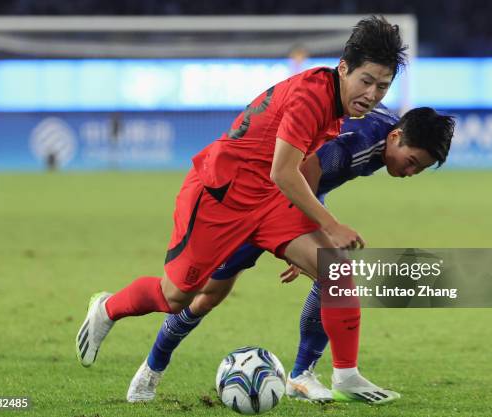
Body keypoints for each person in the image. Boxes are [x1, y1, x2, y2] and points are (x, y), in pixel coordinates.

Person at [76, 16, 411, 403]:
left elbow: (288, 176)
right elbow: (283, 171)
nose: (371, 94)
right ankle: (107, 308)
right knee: (176, 297)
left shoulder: (338, 103)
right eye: (365, 81)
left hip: (269, 202)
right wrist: (329, 224)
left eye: (382, 86)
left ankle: (346, 376)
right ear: (343, 68)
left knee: (335, 269)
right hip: (221, 197)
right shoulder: (311, 97)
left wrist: (311, 233)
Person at [125, 106, 455, 403]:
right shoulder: (358, 142)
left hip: (280, 203)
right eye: (412, 162)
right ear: (395, 136)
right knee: (202, 297)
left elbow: (313, 180)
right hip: (248, 203)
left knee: (333, 271)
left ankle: (302, 375)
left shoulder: (381, 134)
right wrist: (298, 235)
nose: (411, 172)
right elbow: (304, 169)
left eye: (419, 169)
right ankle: (151, 368)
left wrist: (304, 239)